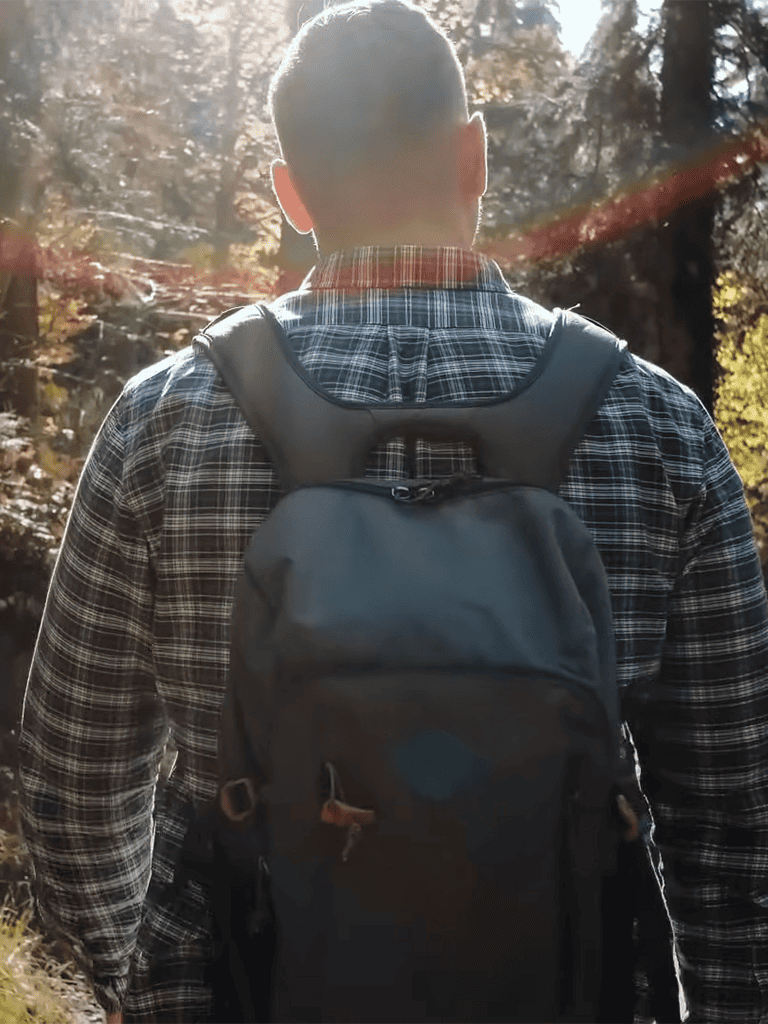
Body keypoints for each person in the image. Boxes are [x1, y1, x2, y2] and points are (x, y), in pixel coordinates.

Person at [18, 1, 768, 1021]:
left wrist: (140, 977)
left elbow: (73, 782)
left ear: (290, 194)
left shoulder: (164, 420)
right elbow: (735, 819)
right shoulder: (657, 426)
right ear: (475, 159)